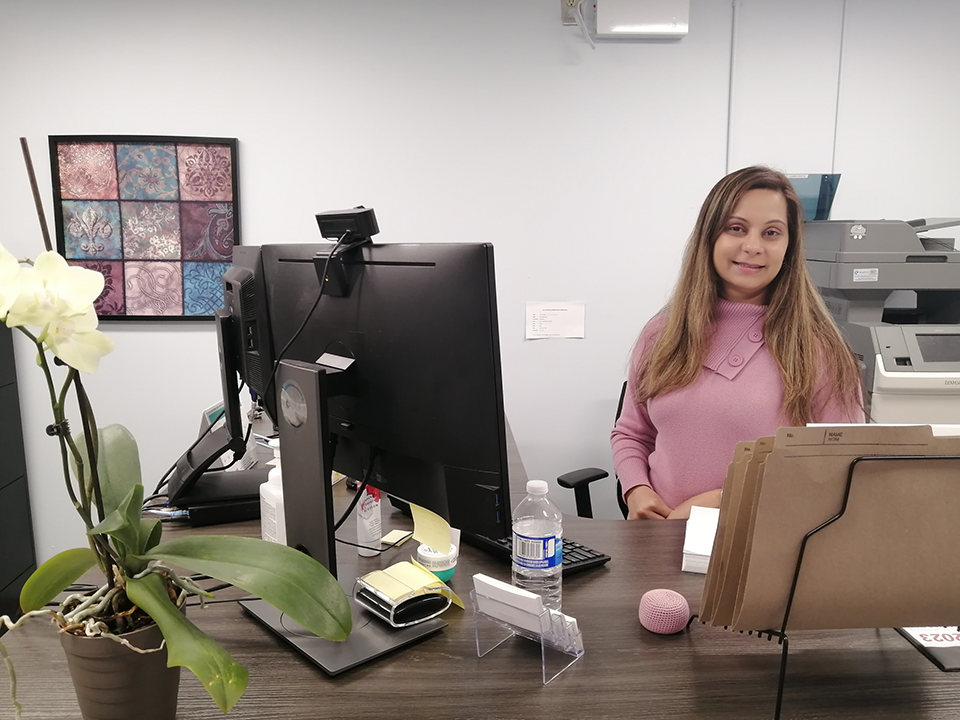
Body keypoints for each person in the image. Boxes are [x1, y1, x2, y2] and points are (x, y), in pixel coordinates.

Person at [611, 166, 865, 520]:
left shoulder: (819, 349)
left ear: (790, 247)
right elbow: (631, 434)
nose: (752, 246)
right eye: (736, 228)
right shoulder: (662, 333)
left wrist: (721, 501)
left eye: (772, 232)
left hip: (764, 548)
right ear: (709, 236)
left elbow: (838, 467)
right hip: (660, 540)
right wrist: (637, 490)